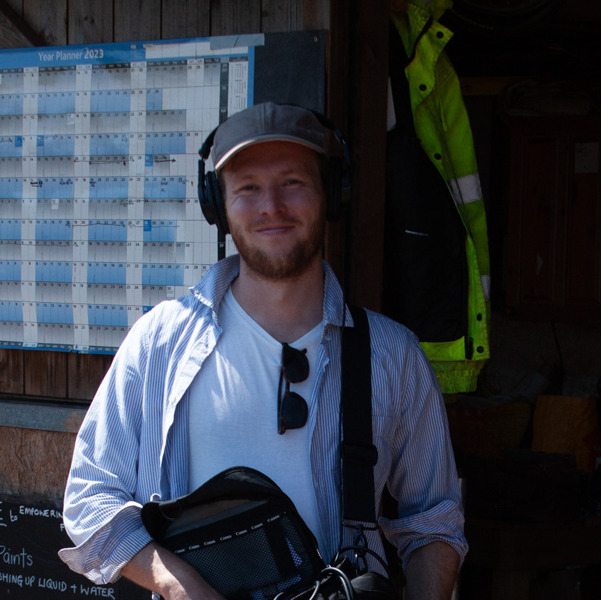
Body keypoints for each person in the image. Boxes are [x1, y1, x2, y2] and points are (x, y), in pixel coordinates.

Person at [59, 102, 467, 600]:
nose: (271, 205)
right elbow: (91, 499)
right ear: (218, 205)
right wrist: (180, 586)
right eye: (248, 187)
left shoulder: (392, 355)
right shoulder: (159, 343)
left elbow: (434, 522)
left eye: (293, 182)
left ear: (332, 192)